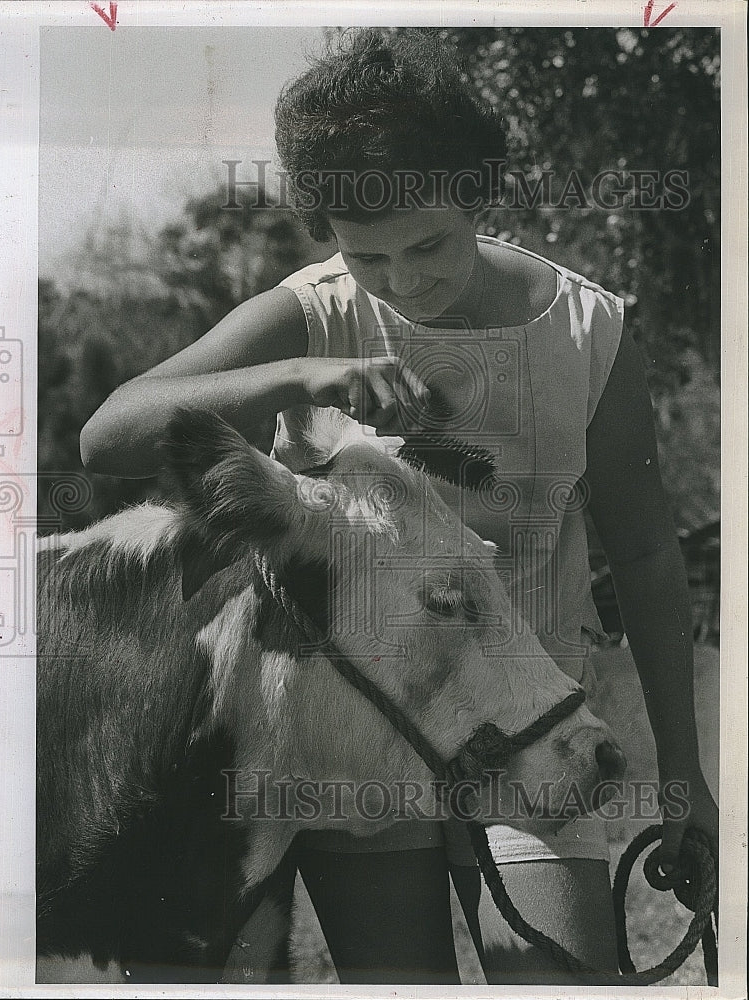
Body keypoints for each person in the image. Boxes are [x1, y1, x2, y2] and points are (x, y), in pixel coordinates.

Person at [80, 29, 718, 986]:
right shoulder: (314, 313)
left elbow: (646, 552)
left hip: (528, 721)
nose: (405, 282)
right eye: (370, 258)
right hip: (362, 740)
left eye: (430, 244)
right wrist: (301, 374)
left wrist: (685, 775)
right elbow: (109, 436)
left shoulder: (587, 330)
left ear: (478, 192)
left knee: (563, 983)